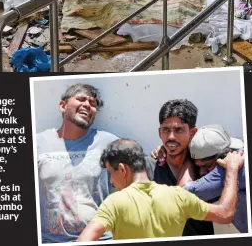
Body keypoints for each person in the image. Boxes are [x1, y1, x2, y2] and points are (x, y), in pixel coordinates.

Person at [76, 138, 244, 242]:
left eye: (110, 173)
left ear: (122, 169)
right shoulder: (179, 196)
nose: (112, 182)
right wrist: (232, 169)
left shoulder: (113, 203)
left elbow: (84, 241)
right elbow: (225, 213)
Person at [36, 83, 118, 243]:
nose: (87, 105)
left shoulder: (108, 142)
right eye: (81, 99)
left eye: (92, 104)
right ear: (62, 105)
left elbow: (137, 169)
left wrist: (161, 152)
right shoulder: (37, 143)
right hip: (52, 241)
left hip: (100, 239)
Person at [146, 99, 214, 236]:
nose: (171, 137)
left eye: (179, 130)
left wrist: (190, 160)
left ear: (193, 132)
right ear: (160, 133)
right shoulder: (149, 167)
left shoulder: (206, 166)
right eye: (166, 130)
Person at [182, 124, 247, 233]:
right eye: (198, 166)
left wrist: (183, 159)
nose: (202, 172)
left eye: (207, 165)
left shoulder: (232, 168)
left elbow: (182, 195)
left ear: (224, 156)